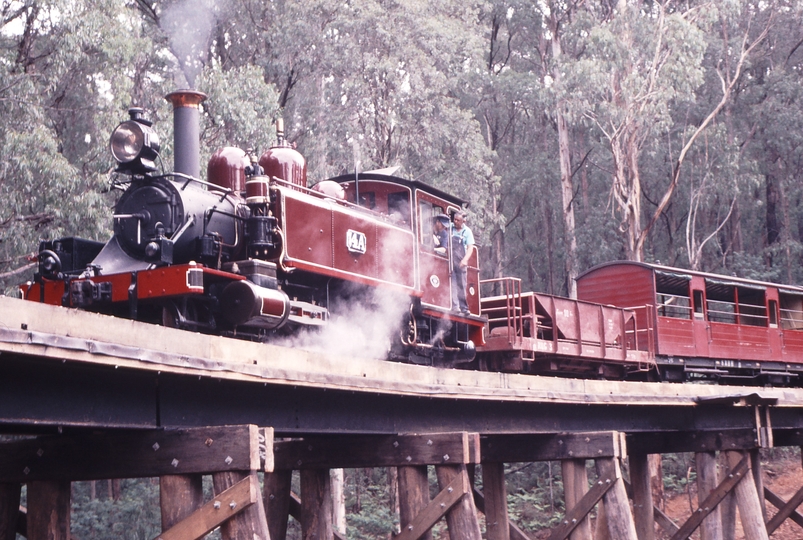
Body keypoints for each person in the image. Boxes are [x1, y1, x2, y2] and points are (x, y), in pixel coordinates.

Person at [450, 211, 474, 313]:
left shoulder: (467, 232)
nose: (455, 222)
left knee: (462, 285)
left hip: (461, 261)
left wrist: (465, 260)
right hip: (451, 260)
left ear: (463, 221)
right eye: (454, 219)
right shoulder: (450, 227)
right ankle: (455, 307)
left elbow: (470, 248)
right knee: (453, 284)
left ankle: (464, 307)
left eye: (458, 220)